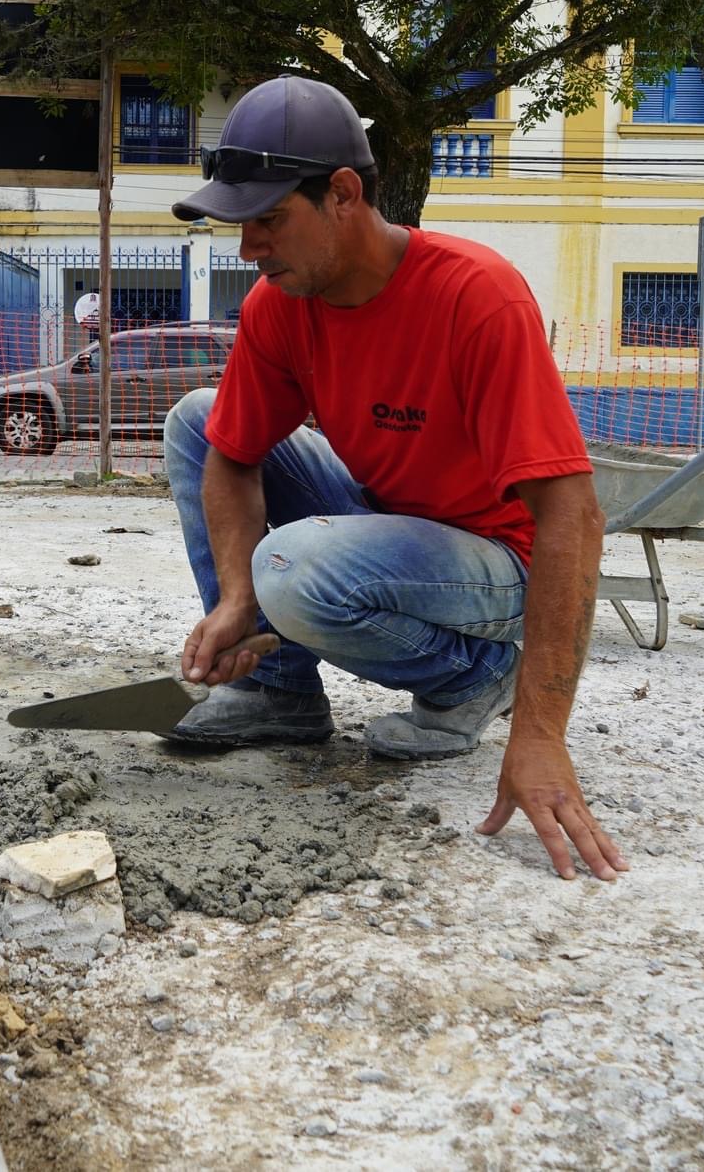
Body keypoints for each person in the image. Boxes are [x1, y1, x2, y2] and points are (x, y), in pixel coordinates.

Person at [163, 75, 626, 883]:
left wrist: (543, 733)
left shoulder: (475, 297)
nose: (249, 249)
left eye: (269, 220)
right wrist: (236, 600)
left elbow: (573, 516)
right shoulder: (282, 304)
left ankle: (480, 677)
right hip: (387, 519)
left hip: (492, 560)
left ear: (343, 193)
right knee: (198, 422)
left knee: (293, 569)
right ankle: (279, 691)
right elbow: (233, 455)